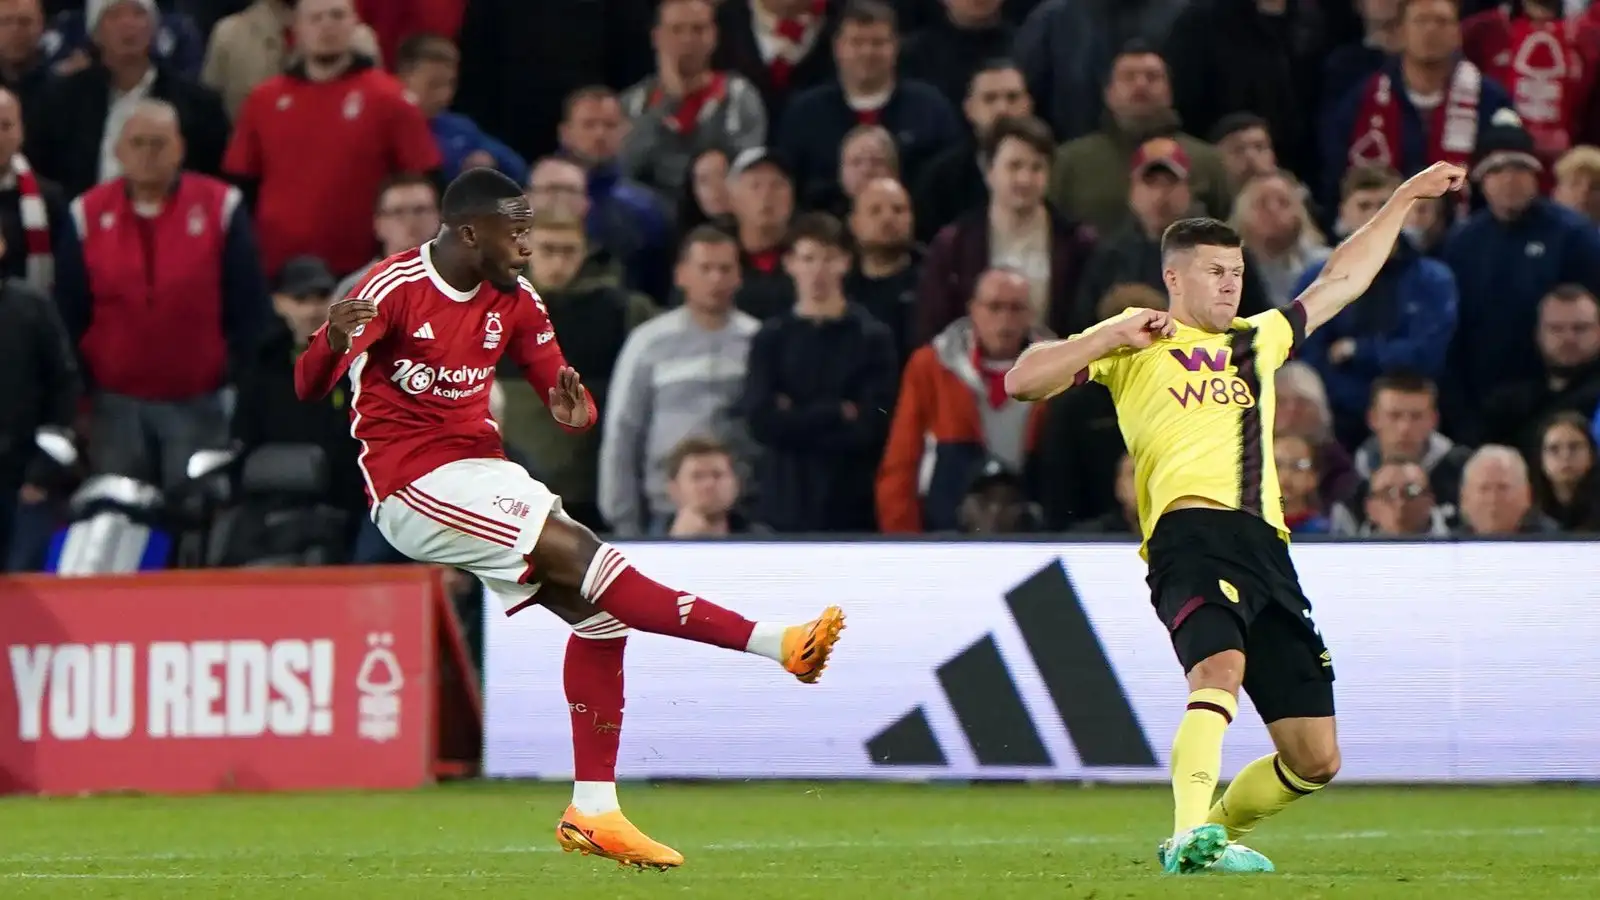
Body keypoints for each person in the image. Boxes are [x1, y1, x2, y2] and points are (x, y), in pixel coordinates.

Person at [292, 168, 844, 869]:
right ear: (470, 233)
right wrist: (331, 341)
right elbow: (308, 385)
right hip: (410, 482)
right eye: (516, 233)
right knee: (585, 555)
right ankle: (776, 643)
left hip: (482, 470)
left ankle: (595, 810)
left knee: (600, 620)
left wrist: (571, 408)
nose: (526, 247)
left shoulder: (516, 297)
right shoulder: (392, 288)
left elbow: (557, 383)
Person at [1004, 160, 1467, 874]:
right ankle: (1188, 827)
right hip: (1190, 537)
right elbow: (1022, 380)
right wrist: (1108, 335)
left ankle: (1205, 838)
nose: (1230, 284)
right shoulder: (1136, 344)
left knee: (1315, 758)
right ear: (1174, 277)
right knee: (1217, 671)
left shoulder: (1259, 338)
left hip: (1268, 550)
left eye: (1238, 273)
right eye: (1215, 272)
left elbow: (1341, 279)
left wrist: (1404, 198)